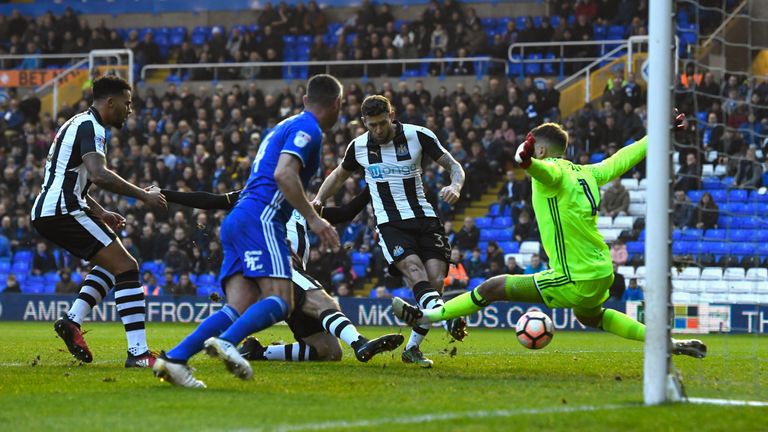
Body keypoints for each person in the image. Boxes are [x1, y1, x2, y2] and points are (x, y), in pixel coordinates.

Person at [392, 116, 707, 360]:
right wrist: (661, 133)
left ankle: (427, 314)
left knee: (493, 287)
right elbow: (624, 157)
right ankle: (668, 342)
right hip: (601, 270)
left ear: (541, 150)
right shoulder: (589, 172)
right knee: (590, 316)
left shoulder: (551, 173)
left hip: (573, 276)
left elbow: (541, 172)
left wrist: (527, 162)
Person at [153, 75, 347, 387]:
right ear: (337, 104)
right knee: (282, 300)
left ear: (304, 99)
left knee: (239, 305)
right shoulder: (308, 128)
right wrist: (313, 218)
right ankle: (228, 342)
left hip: (239, 218)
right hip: (261, 218)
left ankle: (175, 358)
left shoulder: (285, 125)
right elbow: (283, 174)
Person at [154, 186, 401, 384]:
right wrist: (166, 193)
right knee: (324, 302)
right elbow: (209, 200)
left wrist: (373, 183)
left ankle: (257, 352)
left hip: (293, 273)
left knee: (327, 351)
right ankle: (360, 343)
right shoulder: (255, 195)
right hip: (279, 266)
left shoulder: (304, 206)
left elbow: (346, 212)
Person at [314, 94, 467, 368]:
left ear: (392, 115)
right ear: (364, 122)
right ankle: (446, 320)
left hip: (425, 218)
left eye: (383, 123)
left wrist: (455, 186)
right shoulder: (359, 146)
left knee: (435, 282)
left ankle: (412, 349)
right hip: (390, 223)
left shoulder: (419, 136)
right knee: (414, 270)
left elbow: (453, 166)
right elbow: (338, 175)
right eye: (372, 125)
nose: (378, 130)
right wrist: (318, 200)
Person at [30, 75, 167, 368]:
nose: (129, 110)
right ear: (110, 102)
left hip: (53, 210)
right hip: (62, 210)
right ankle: (138, 353)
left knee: (113, 264)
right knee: (128, 266)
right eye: (127, 104)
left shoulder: (75, 123)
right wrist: (143, 195)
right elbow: (98, 174)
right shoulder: (92, 127)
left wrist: (101, 212)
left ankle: (72, 321)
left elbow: (69, 176)